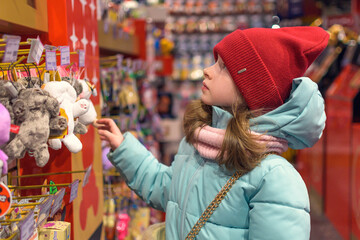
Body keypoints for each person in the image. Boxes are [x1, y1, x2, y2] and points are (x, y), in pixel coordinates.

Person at [97, 26, 329, 240]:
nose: (207, 71)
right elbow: (169, 192)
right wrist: (123, 147)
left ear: (250, 89)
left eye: (223, 66)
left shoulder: (274, 177)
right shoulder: (197, 145)